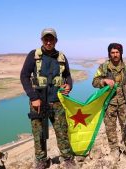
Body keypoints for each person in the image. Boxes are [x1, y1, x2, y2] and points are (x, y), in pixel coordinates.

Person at [20, 28, 77, 169]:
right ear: (42, 40)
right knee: (39, 133)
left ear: (56, 41)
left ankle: (68, 158)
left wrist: (69, 85)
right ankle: (41, 160)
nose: (48, 41)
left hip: (57, 102)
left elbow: (68, 75)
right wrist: (33, 97)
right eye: (46, 39)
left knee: (62, 132)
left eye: (51, 39)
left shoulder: (61, 57)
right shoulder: (34, 55)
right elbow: (24, 76)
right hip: (38, 102)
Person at [92, 43, 126, 160]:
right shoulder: (104, 67)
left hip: (124, 103)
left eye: (117, 52)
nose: (115, 55)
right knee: (110, 129)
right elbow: (94, 82)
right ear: (109, 54)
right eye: (113, 52)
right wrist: (104, 81)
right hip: (109, 103)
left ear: (121, 53)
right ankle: (114, 150)